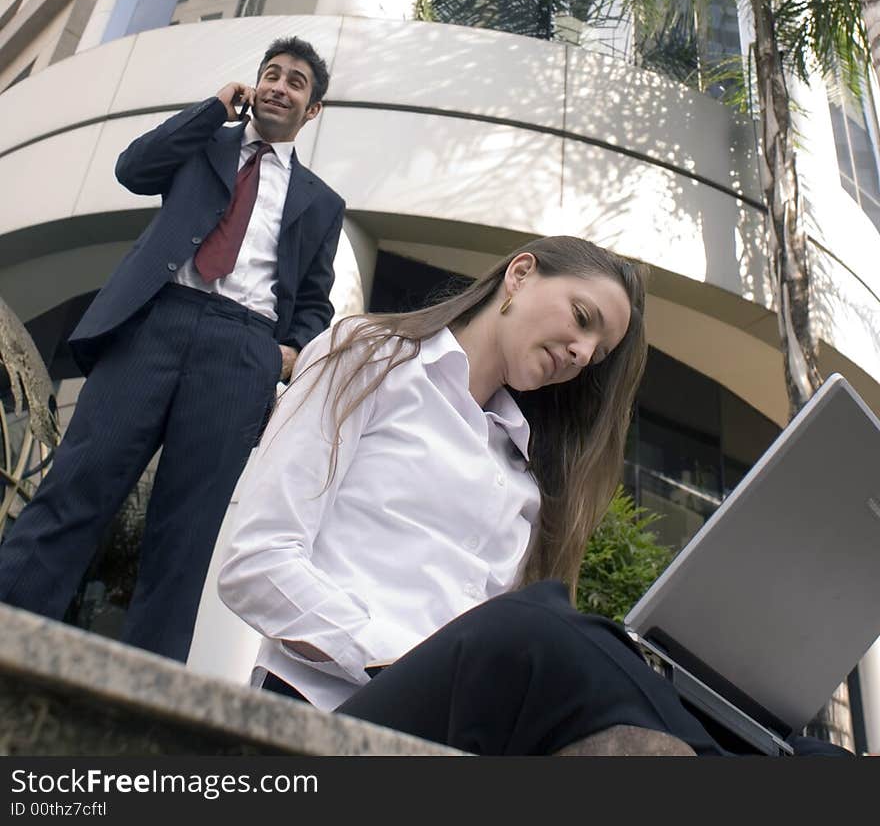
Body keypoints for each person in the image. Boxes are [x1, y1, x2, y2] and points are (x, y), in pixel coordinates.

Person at [218, 235, 852, 757]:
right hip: (336, 710)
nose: (581, 353)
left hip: (467, 734)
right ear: (520, 274)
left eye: (596, 354)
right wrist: (411, 661)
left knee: (787, 749)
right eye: (582, 320)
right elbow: (256, 563)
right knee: (547, 622)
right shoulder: (368, 357)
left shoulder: (524, 470)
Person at [0, 35, 344, 664]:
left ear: (311, 109)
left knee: (186, 534)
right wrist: (213, 108)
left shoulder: (321, 203)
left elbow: (315, 300)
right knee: (76, 488)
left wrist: (288, 355)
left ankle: (143, 700)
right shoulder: (204, 144)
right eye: (271, 73)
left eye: (296, 82)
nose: (279, 86)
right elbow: (133, 169)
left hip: (242, 352)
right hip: (156, 323)